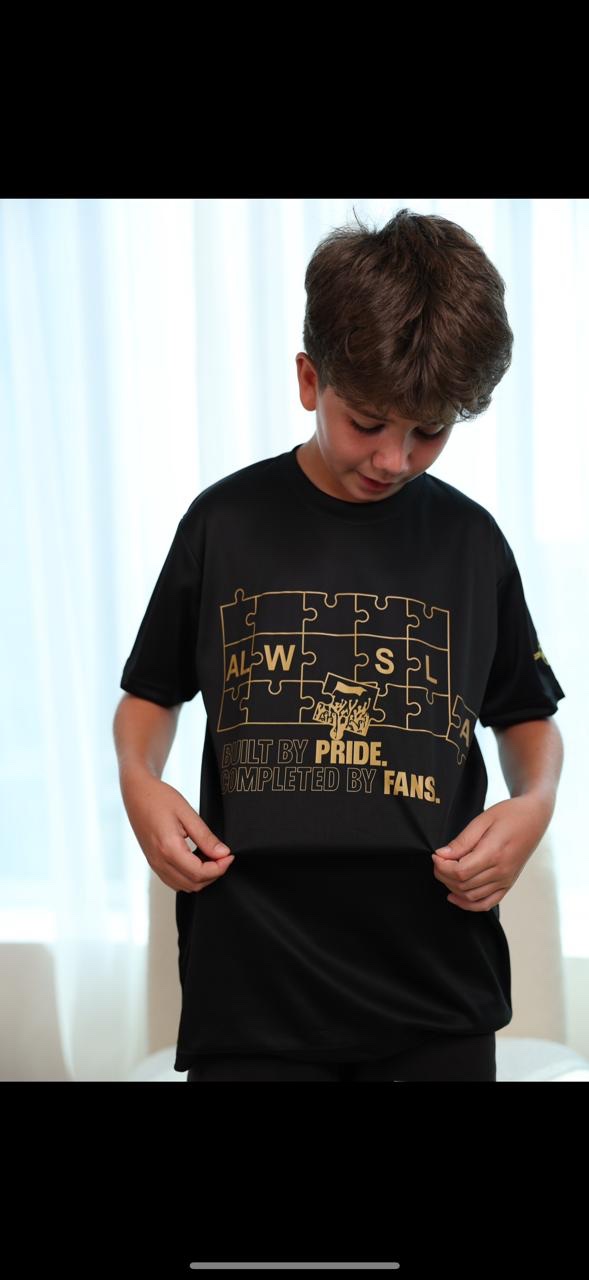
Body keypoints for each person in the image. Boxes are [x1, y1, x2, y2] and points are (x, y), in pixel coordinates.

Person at [113, 207, 565, 1082]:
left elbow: (524, 715)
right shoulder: (222, 525)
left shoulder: (471, 542)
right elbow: (149, 695)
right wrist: (139, 782)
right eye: (368, 423)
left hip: (436, 982)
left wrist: (534, 803)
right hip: (252, 981)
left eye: (429, 432)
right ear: (309, 379)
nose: (394, 459)